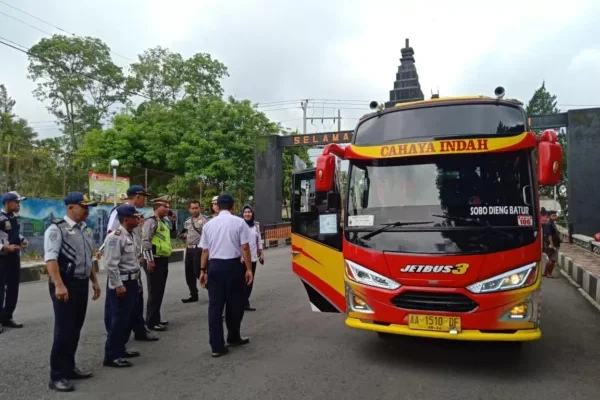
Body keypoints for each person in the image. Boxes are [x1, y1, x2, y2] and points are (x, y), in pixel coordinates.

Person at [44, 192, 102, 392]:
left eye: (89, 207)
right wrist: (59, 284)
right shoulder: (57, 229)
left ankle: (69, 367)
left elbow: (89, 258)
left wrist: (94, 280)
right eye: (83, 206)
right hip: (65, 283)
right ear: (70, 208)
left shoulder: (85, 229)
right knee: (64, 330)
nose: (87, 210)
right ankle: (57, 375)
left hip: (81, 283)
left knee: (75, 328)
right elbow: (51, 260)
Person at [199, 194, 253, 358]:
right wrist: (249, 269)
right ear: (233, 206)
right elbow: (244, 247)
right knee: (235, 303)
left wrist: (203, 270)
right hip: (233, 266)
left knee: (215, 307)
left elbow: (205, 250)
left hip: (214, 266)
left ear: (218, 206)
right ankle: (233, 336)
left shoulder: (209, 224)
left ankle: (216, 346)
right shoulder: (239, 222)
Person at [104, 185, 158, 342]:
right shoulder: (120, 212)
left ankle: (138, 330)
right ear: (137, 196)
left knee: (136, 300)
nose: (145, 200)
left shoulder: (134, 213)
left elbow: (138, 238)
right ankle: (115, 339)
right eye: (144, 197)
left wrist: (143, 257)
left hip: (133, 262)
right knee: (118, 306)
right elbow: (112, 235)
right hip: (121, 266)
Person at [103, 205, 143, 368]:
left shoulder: (131, 235)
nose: (139, 219)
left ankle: (120, 348)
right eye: (135, 217)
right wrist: (118, 285)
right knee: (118, 320)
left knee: (126, 319)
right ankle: (111, 356)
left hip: (132, 282)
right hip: (122, 283)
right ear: (126, 219)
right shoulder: (115, 237)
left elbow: (134, 262)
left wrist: (138, 282)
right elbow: (110, 265)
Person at [141, 195, 172, 331]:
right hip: (154, 260)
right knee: (154, 291)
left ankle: (156, 318)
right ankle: (151, 322)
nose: (167, 209)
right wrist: (150, 260)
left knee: (159, 291)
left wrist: (174, 222)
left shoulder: (164, 222)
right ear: (156, 207)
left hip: (163, 259)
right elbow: (146, 241)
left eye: (167, 206)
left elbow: (173, 237)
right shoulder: (151, 222)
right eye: (164, 206)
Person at [0, 191, 28, 333]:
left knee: (13, 288)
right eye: (16, 202)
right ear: (7, 203)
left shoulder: (15, 217)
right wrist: (5, 247)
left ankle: (7, 317)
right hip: (2, 257)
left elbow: (15, 233)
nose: (18, 205)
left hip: (14, 257)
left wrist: (22, 239)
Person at [179, 200, 207, 303]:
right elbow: (184, 234)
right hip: (189, 249)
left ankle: (213, 291)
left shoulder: (205, 220)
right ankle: (193, 294)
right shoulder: (187, 221)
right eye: (192, 208)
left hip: (199, 249)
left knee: (198, 272)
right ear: (189, 209)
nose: (194, 210)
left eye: (196, 208)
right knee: (189, 273)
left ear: (200, 208)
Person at [240, 204, 264, 311]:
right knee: (241, 281)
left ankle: (245, 302)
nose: (247, 214)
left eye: (249, 212)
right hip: (241, 258)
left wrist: (261, 252)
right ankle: (241, 302)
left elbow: (258, 239)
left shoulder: (256, 225)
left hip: (253, 257)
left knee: (250, 281)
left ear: (252, 213)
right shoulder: (239, 225)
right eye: (245, 212)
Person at [543, 210, 561, 278]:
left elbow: (554, 234)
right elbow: (549, 235)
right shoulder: (549, 224)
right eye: (553, 215)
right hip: (552, 244)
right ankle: (549, 273)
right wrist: (552, 245)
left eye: (555, 215)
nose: (555, 217)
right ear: (549, 216)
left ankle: (546, 273)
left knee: (551, 259)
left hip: (555, 243)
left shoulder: (552, 224)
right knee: (552, 260)